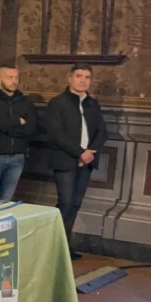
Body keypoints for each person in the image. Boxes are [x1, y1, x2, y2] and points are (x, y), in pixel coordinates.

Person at [44, 63, 107, 259]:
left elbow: (102, 131)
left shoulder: (92, 104)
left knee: (76, 203)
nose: (82, 80)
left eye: (87, 77)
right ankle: (54, 247)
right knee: (66, 201)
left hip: (87, 160)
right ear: (70, 78)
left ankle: (65, 246)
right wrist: (80, 153)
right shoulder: (57, 103)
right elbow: (56, 134)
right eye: (79, 76)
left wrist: (89, 153)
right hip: (65, 160)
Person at [0, 61, 38, 200]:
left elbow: (30, 128)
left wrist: (5, 128)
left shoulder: (25, 102)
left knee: (5, 201)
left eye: (16, 77)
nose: (14, 81)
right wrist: (17, 121)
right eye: (9, 77)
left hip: (17, 158)